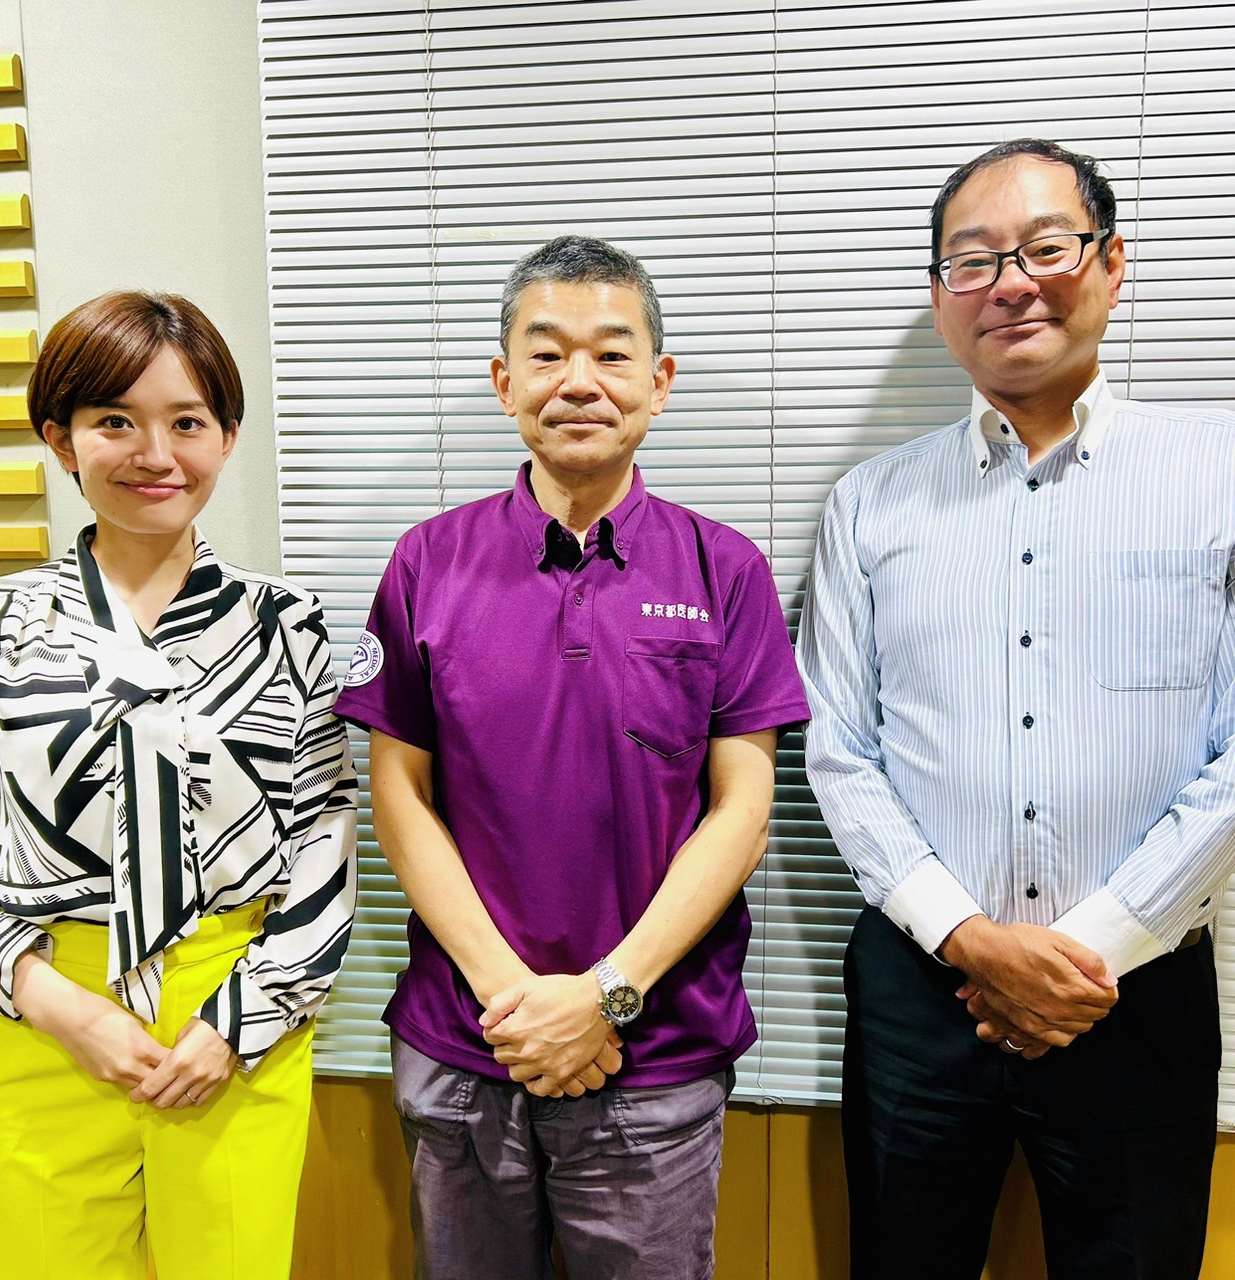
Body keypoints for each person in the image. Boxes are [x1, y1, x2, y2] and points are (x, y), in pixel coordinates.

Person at [798, 137, 1235, 1280]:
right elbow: (838, 748)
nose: (1008, 282)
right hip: (917, 989)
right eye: (971, 260)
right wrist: (967, 936)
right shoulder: (869, 503)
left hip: (1133, 992)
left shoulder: (1217, 469)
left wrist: (1081, 957)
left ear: (1108, 262)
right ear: (939, 299)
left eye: (1044, 246)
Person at [335, 235, 809, 1280]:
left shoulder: (720, 567)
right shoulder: (427, 559)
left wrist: (605, 994)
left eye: (611, 352)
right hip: (469, 1049)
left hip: (653, 1059)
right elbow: (398, 794)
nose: (578, 382)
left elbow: (739, 805)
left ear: (658, 379)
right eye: (545, 354)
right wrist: (518, 1000)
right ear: (504, 382)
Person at [0, 291, 358, 1280]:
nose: (154, 454)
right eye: (114, 422)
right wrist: (55, 1000)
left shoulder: (289, 627)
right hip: (39, 1012)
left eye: (186, 421)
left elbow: (323, 840)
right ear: (60, 437)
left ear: (226, 434)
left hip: (232, 1021)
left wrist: (238, 1020)